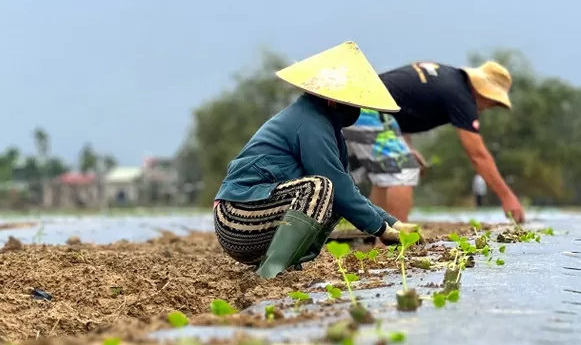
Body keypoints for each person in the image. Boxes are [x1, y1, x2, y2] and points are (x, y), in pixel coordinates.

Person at [213, 41, 420, 279]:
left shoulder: (326, 126)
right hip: (237, 219)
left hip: (257, 217)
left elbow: (347, 191)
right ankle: (271, 272)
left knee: (336, 197)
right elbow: (335, 185)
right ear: (332, 99)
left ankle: (287, 263)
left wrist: (392, 222)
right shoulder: (310, 124)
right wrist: (381, 230)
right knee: (318, 187)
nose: (356, 109)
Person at [343, 59, 525, 224]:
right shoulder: (460, 95)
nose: (488, 108)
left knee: (384, 175)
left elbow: (400, 105)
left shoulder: (448, 79)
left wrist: (408, 147)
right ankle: (392, 243)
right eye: (492, 102)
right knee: (404, 171)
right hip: (368, 109)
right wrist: (507, 197)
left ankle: (377, 236)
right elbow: (478, 155)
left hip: (354, 105)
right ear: (483, 91)